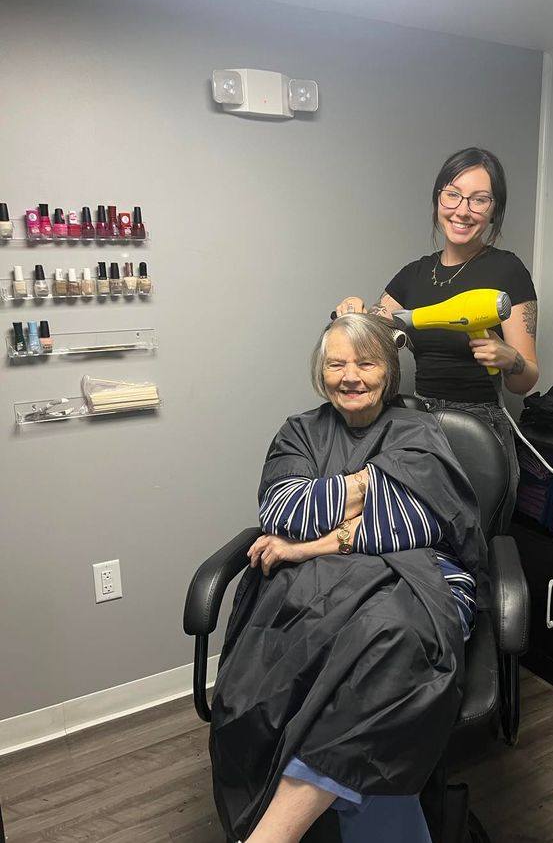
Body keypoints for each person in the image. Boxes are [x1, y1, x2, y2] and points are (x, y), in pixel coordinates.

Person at [211, 314, 487, 843]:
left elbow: (420, 522)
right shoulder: (299, 431)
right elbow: (283, 509)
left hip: (419, 579)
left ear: (390, 371)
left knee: (390, 639)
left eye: (367, 362)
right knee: (294, 665)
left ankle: (273, 834)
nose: (351, 375)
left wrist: (311, 543)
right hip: (313, 590)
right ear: (321, 371)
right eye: (336, 363)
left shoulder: (419, 428)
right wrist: (375, 483)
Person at [334, 147, 539, 530]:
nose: (463, 210)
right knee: (409, 538)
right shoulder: (413, 275)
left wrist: (509, 358)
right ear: (437, 200)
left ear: (494, 210)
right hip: (418, 421)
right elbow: (377, 331)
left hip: (479, 431)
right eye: (453, 194)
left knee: (474, 548)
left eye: (480, 199)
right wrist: (355, 311)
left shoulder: (508, 270)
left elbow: (526, 380)